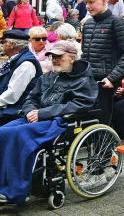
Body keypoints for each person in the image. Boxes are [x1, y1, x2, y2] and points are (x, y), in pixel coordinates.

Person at [0, 41, 96, 206]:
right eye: (52, 56)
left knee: (17, 135)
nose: (54, 60)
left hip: (58, 121)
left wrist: (42, 113)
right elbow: (31, 98)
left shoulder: (84, 80)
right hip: (36, 117)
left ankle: (14, 191)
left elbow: (80, 105)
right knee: (2, 131)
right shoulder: (49, 76)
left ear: (72, 58)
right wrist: (31, 111)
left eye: (59, 56)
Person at [80, 0, 124, 127]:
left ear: (104, 1)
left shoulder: (117, 23)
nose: (87, 6)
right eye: (86, 3)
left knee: (102, 120)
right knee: (88, 119)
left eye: (91, 2)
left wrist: (112, 78)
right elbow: (85, 53)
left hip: (105, 82)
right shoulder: (88, 24)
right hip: (88, 80)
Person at [0, 30, 42, 126]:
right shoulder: (15, 59)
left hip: (17, 109)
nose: (1, 45)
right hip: (8, 106)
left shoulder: (26, 64)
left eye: (3, 42)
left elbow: (12, 95)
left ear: (12, 44)